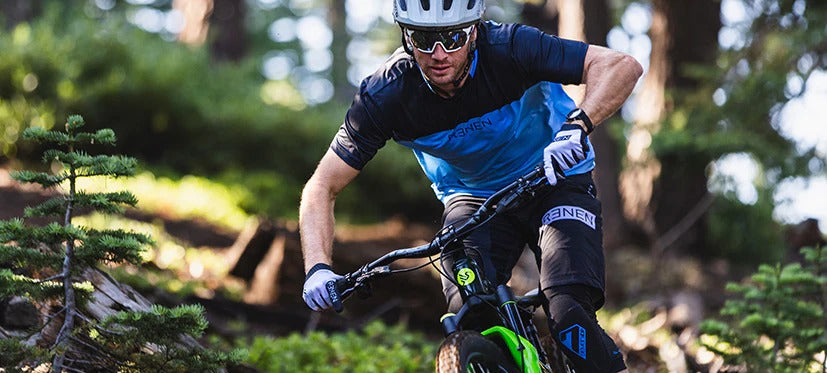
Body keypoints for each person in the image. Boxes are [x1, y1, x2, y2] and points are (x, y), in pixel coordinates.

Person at [300, 0, 642, 371]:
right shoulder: (385, 96)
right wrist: (317, 266)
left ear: (474, 30)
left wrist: (578, 125)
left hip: (553, 180)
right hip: (473, 200)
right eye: (424, 39)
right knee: (470, 313)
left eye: (452, 37)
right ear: (406, 36)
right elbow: (321, 186)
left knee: (567, 310)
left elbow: (621, 65)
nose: (439, 53)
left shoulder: (511, 47)